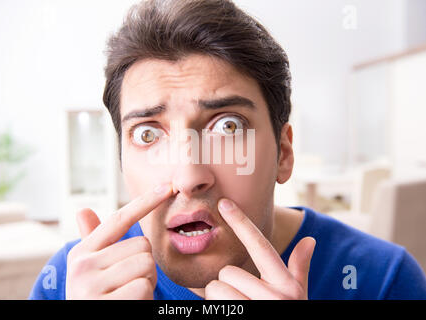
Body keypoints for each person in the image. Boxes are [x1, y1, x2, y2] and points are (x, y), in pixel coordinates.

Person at [29, 0, 426, 300]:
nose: (188, 178)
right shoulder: (70, 280)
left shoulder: (382, 279)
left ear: (284, 154)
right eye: (148, 134)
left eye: (228, 127)